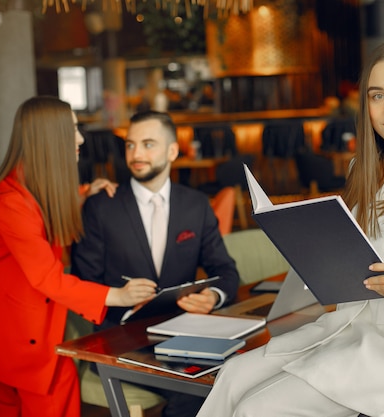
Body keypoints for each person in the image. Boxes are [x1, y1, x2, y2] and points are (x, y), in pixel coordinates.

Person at [196, 38, 384, 417]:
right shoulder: (360, 169)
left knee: (258, 408)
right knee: (233, 374)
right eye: (377, 96)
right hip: (346, 329)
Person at [0, 96, 157, 417]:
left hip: (3, 326)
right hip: (8, 333)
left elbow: (41, 206)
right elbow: (48, 278)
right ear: (48, 137)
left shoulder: (27, 188)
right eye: (72, 129)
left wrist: (85, 192)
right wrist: (118, 295)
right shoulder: (10, 204)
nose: (80, 138)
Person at [71, 110, 240, 417]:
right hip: (120, 339)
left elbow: (226, 270)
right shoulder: (100, 206)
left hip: (184, 331)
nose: (136, 154)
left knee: (241, 370)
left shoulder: (195, 204)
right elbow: (83, 281)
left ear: (172, 151)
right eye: (131, 145)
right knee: (194, 391)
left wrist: (213, 297)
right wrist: (121, 300)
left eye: (148, 144)